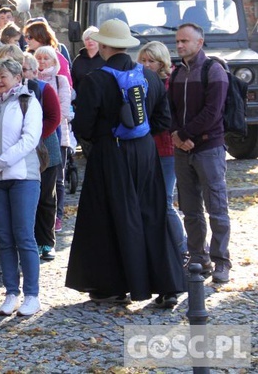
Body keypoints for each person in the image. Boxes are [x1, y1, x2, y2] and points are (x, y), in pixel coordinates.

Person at [66, 19, 186, 303]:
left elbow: (83, 127)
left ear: (105, 46)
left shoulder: (95, 80)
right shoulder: (150, 76)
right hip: (145, 152)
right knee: (152, 214)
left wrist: (103, 138)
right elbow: (163, 120)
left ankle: (114, 286)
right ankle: (167, 285)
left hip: (111, 152)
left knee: (110, 217)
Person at [168, 22, 231, 283]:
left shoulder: (214, 70)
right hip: (183, 151)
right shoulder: (176, 73)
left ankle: (221, 261)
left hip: (209, 149)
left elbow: (212, 112)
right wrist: (176, 135)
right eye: (178, 41)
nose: (180, 45)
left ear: (199, 43)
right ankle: (198, 258)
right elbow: (170, 108)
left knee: (216, 207)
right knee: (190, 209)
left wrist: (184, 135)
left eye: (185, 41)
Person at [0, 59, 43, 317]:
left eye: (4, 75)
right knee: (3, 238)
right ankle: (10, 292)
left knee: (24, 236)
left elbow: (30, 139)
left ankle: (31, 294)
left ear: (18, 78)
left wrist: (1, 161)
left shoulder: (28, 102)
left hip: (23, 177)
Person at [138, 41, 188, 301]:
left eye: (151, 61)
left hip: (166, 150)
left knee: (166, 203)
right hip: (147, 151)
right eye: (143, 60)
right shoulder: (139, 82)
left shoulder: (168, 84)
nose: (147, 65)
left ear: (162, 63)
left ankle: (183, 251)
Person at [34, 45, 73, 255]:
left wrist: (37, 135)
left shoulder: (58, 81)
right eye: (37, 59)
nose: (40, 63)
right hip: (30, 146)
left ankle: (48, 239)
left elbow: (59, 115)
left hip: (53, 140)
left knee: (51, 189)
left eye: (45, 59)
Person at [24, 20, 73, 89]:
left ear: (40, 37)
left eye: (29, 37)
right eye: (25, 37)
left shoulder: (56, 56)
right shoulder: (28, 57)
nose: (26, 40)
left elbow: (67, 86)